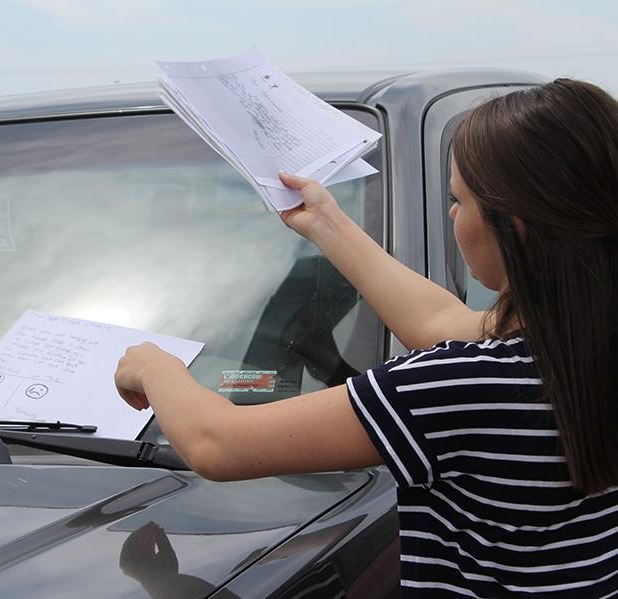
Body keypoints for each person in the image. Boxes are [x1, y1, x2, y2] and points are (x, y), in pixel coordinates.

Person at [114, 78, 618, 597]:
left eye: (458, 200)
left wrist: (156, 366)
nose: (451, 215)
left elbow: (216, 444)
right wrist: (326, 222)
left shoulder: (461, 386)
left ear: (512, 225)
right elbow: (439, 323)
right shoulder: (578, 344)